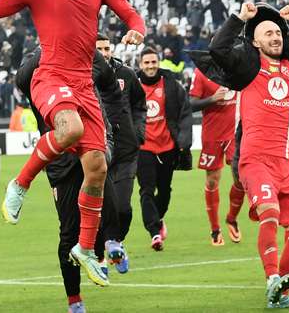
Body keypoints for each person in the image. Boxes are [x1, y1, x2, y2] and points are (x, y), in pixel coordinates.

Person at [0, 0, 145, 287]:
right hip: (50, 75)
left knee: (97, 167)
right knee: (70, 130)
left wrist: (137, 29)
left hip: (84, 85)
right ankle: (19, 185)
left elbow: (130, 14)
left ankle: (85, 248)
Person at [209, 3, 289, 309]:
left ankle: (282, 292)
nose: (275, 36)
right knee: (269, 212)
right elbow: (218, 49)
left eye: (278, 32)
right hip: (255, 159)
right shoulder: (247, 68)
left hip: (286, 163)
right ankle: (271, 280)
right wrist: (239, 18)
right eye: (268, 33)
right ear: (255, 41)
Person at [15, 46, 120, 312]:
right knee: (68, 233)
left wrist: (109, 137)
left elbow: (108, 83)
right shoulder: (39, 76)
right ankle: (74, 300)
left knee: (111, 214)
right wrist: (52, 44)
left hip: (92, 156)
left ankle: (100, 253)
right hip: (62, 165)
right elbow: (21, 76)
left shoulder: (85, 69)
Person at [94, 35, 145, 272]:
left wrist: (138, 132)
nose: (104, 52)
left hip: (125, 149)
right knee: (99, 208)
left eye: (107, 48)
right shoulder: (82, 74)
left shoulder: (126, 74)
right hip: (97, 151)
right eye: (99, 49)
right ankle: (100, 256)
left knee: (123, 207)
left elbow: (139, 104)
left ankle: (117, 243)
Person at [136, 48, 192, 252]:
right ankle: (154, 232)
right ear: (140, 64)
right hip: (144, 148)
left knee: (165, 191)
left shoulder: (172, 86)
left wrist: (184, 141)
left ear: (158, 63)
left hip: (167, 147)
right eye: (146, 63)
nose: (150, 66)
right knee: (147, 190)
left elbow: (184, 112)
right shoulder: (134, 87)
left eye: (153, 62)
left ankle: (158, 219)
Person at [189, 68, 245, 246]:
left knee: (242, 179)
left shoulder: (238, 67)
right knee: (212, 181)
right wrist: (213, 98)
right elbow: (191, 104)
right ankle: (215, 229)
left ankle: (231, 218)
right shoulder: (201, 72)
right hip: (212, 135)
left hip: (235, 133)